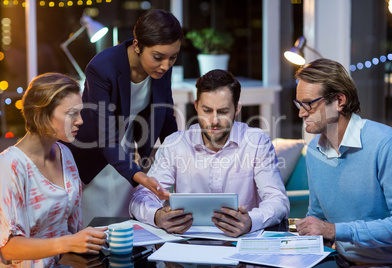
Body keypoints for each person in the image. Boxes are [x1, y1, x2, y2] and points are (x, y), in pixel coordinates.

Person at [130, 69, 289, 237]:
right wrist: (158, 216)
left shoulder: (257, 142)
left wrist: (250, 221)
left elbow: (278, 201)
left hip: (241, 246)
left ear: (237, 109)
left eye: (222, 112)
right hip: (186, 246)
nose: (214, 121)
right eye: (207, 110)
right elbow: (140, 198)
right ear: (196, 105)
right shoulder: (175, 144)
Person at [66, 9, 183, 224]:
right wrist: (141, 177)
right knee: (96, 232)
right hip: (94, 157)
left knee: (125, 229)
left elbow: (167, 117)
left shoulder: (161, 69)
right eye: (158, 57)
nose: (166, 66)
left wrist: (184, 159)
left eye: (173, 57)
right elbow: (106, 139)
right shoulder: (101, 68)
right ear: (137, 45)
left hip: (126, 155)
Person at [293, 58, 392, 264]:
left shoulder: (387, 144)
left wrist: (335, 230)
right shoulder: (315, 151)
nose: (301, 113)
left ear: (339, 101)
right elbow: (318, 217)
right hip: (339, 259)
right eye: (299, 104)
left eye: (308, 104)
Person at [0, 73, 107, 267]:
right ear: (41, 115)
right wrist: (68, 243)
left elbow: (71, 230)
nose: (80, 121)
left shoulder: (64, 154)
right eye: (71, 113)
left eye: (80, 112)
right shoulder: (10, 165)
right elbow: (8, 248)